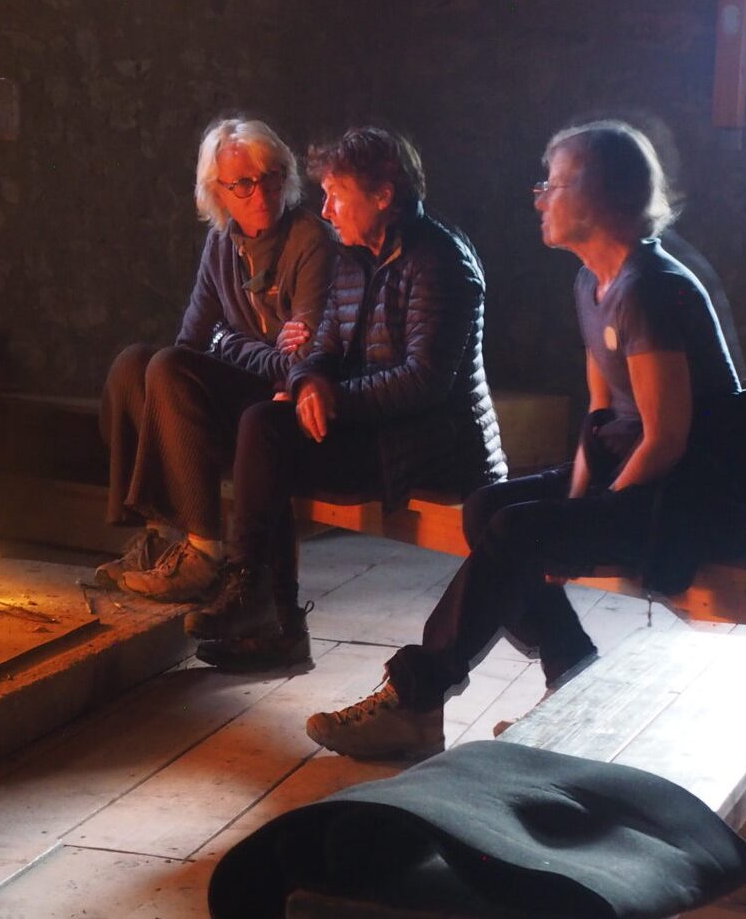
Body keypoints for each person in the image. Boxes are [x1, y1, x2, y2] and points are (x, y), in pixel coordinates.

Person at [304, 121, 746, 759]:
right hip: (642, 476)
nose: (538, 196)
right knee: (488, 507)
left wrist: (585, 520)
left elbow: (666, 439)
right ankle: (574, 677)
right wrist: (575, 504)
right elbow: (602, 417)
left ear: (599, 196)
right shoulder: (592, 282)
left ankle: (417, 696)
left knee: (519, 532)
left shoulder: (649, 288)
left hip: (696, 497)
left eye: (554, 183)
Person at [183, 126, 507, 670]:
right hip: (378, 431)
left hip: (435, 447)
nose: (326, 210)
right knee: (265, 424)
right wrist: (306, 382)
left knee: (271, 441)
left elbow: (423, 381)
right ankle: (259, 599)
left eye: (337, 194)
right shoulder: (353, 256)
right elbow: (323, 346)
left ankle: (268, 611)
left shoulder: (440, 262)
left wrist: (333, 398)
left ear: (382, 195)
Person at [97, 117, 339, 611]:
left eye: (271, 176)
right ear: (218, 192)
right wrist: (235, 344)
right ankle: (160, 535)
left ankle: (204, 552)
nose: (261, 193)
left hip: (278, 404)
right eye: (243, 183)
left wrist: (227, 341)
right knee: (133, 364)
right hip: (247, 385)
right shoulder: (221, 244)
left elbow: (298, 361)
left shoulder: (310, 239)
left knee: (169, 367)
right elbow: (192, 340)